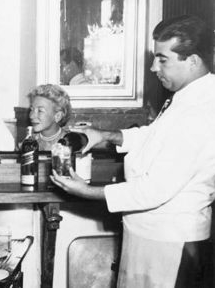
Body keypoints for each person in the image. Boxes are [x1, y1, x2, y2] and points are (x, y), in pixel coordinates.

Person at [51, 15, 215, 287]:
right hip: (151, 234)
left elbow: (155, 190)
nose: (153, 67)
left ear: (193, 61)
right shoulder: (187, 97)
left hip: (169, 241)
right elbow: (154, 138)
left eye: (162, 59)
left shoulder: (200, 112)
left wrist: (87, 191)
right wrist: (104, 135)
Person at [27, 84, 72, 150]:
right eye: (31, 109)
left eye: (40, 111)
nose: (31, 116)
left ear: (57, 116)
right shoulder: (29, 142)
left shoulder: (70, 142)